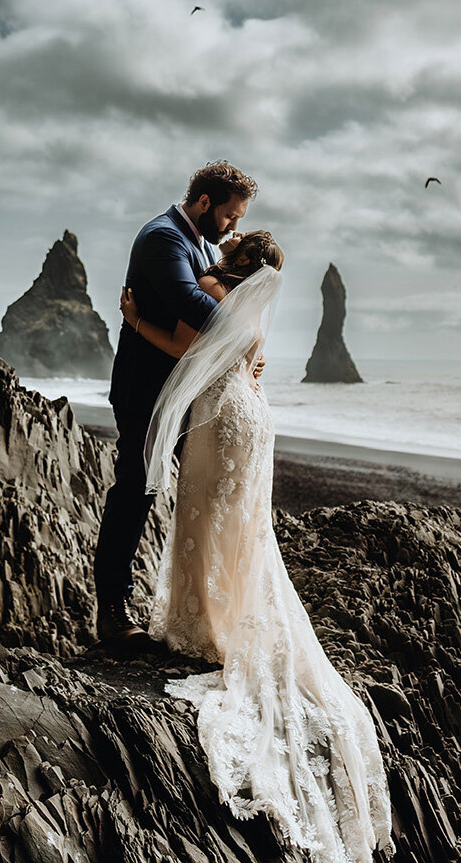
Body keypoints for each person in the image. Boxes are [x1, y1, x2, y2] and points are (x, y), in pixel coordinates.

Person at [119, 232, 396, 863]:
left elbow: (186, 349)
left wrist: (136, 323)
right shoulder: (255, 305)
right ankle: (225, 618)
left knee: (202, 518)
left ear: (240, 257)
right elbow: (242, 356)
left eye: (237, 234)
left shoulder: (215, 291)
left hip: (220, 414)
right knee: (239, 526)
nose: (230, 234)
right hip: (254, 413)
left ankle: (202, 623)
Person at [94, 161, 260, 651]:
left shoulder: (203, 243)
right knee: (136, 489)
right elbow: (193, 303)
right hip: (146, 389)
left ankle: (202, 610)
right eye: (231, 215)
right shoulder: (162, 238)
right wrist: (248, 336)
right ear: (204, 202)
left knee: (201, 493)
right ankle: (113, 613)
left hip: (185, 391)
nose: (234, 225)